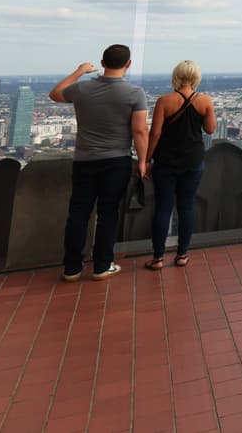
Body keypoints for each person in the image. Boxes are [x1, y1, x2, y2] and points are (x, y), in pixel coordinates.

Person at [49, 44, 148, 281]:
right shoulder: (135, 93)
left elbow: (55, 94)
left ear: (102, 63)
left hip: (84, 160)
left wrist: (79, 71)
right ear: (129, 64)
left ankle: (72, 267)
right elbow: (140, 131)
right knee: (108, 212)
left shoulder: (82, 89)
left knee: (79, 213)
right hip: (116, 161)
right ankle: (102, 265)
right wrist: (143, 161)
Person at [145, 60, 216, 269]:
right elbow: (211, 129)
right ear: (196, 78)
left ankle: (158, 258)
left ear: (176, 76)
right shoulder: (205, 101)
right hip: (193, 161)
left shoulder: (164, 101)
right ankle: (182, 254)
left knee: (163, 207)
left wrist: (147, 159)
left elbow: (155, 133)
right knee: (186, 206)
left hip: (166, 161)